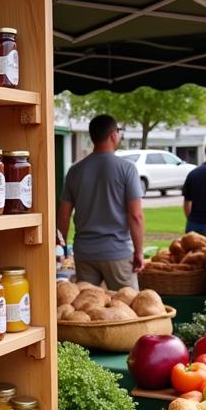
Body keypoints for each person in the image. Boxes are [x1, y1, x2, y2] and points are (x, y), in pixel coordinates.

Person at [57, 114, 144, 290]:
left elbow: (64, 215)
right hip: (117, 252)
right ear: (113, 135)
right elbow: (136, 216)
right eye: (119, 131)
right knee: (128, 308)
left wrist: (63, 248)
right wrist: (139, 253)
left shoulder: (75, 171)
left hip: (84, 253)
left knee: (87, 309)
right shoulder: (127, 169)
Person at [182, 141, 206, 236]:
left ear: (205, 153)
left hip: (193, 223)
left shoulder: (193, 174)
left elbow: (187, 203)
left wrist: (190, 219)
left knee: (191, 251)